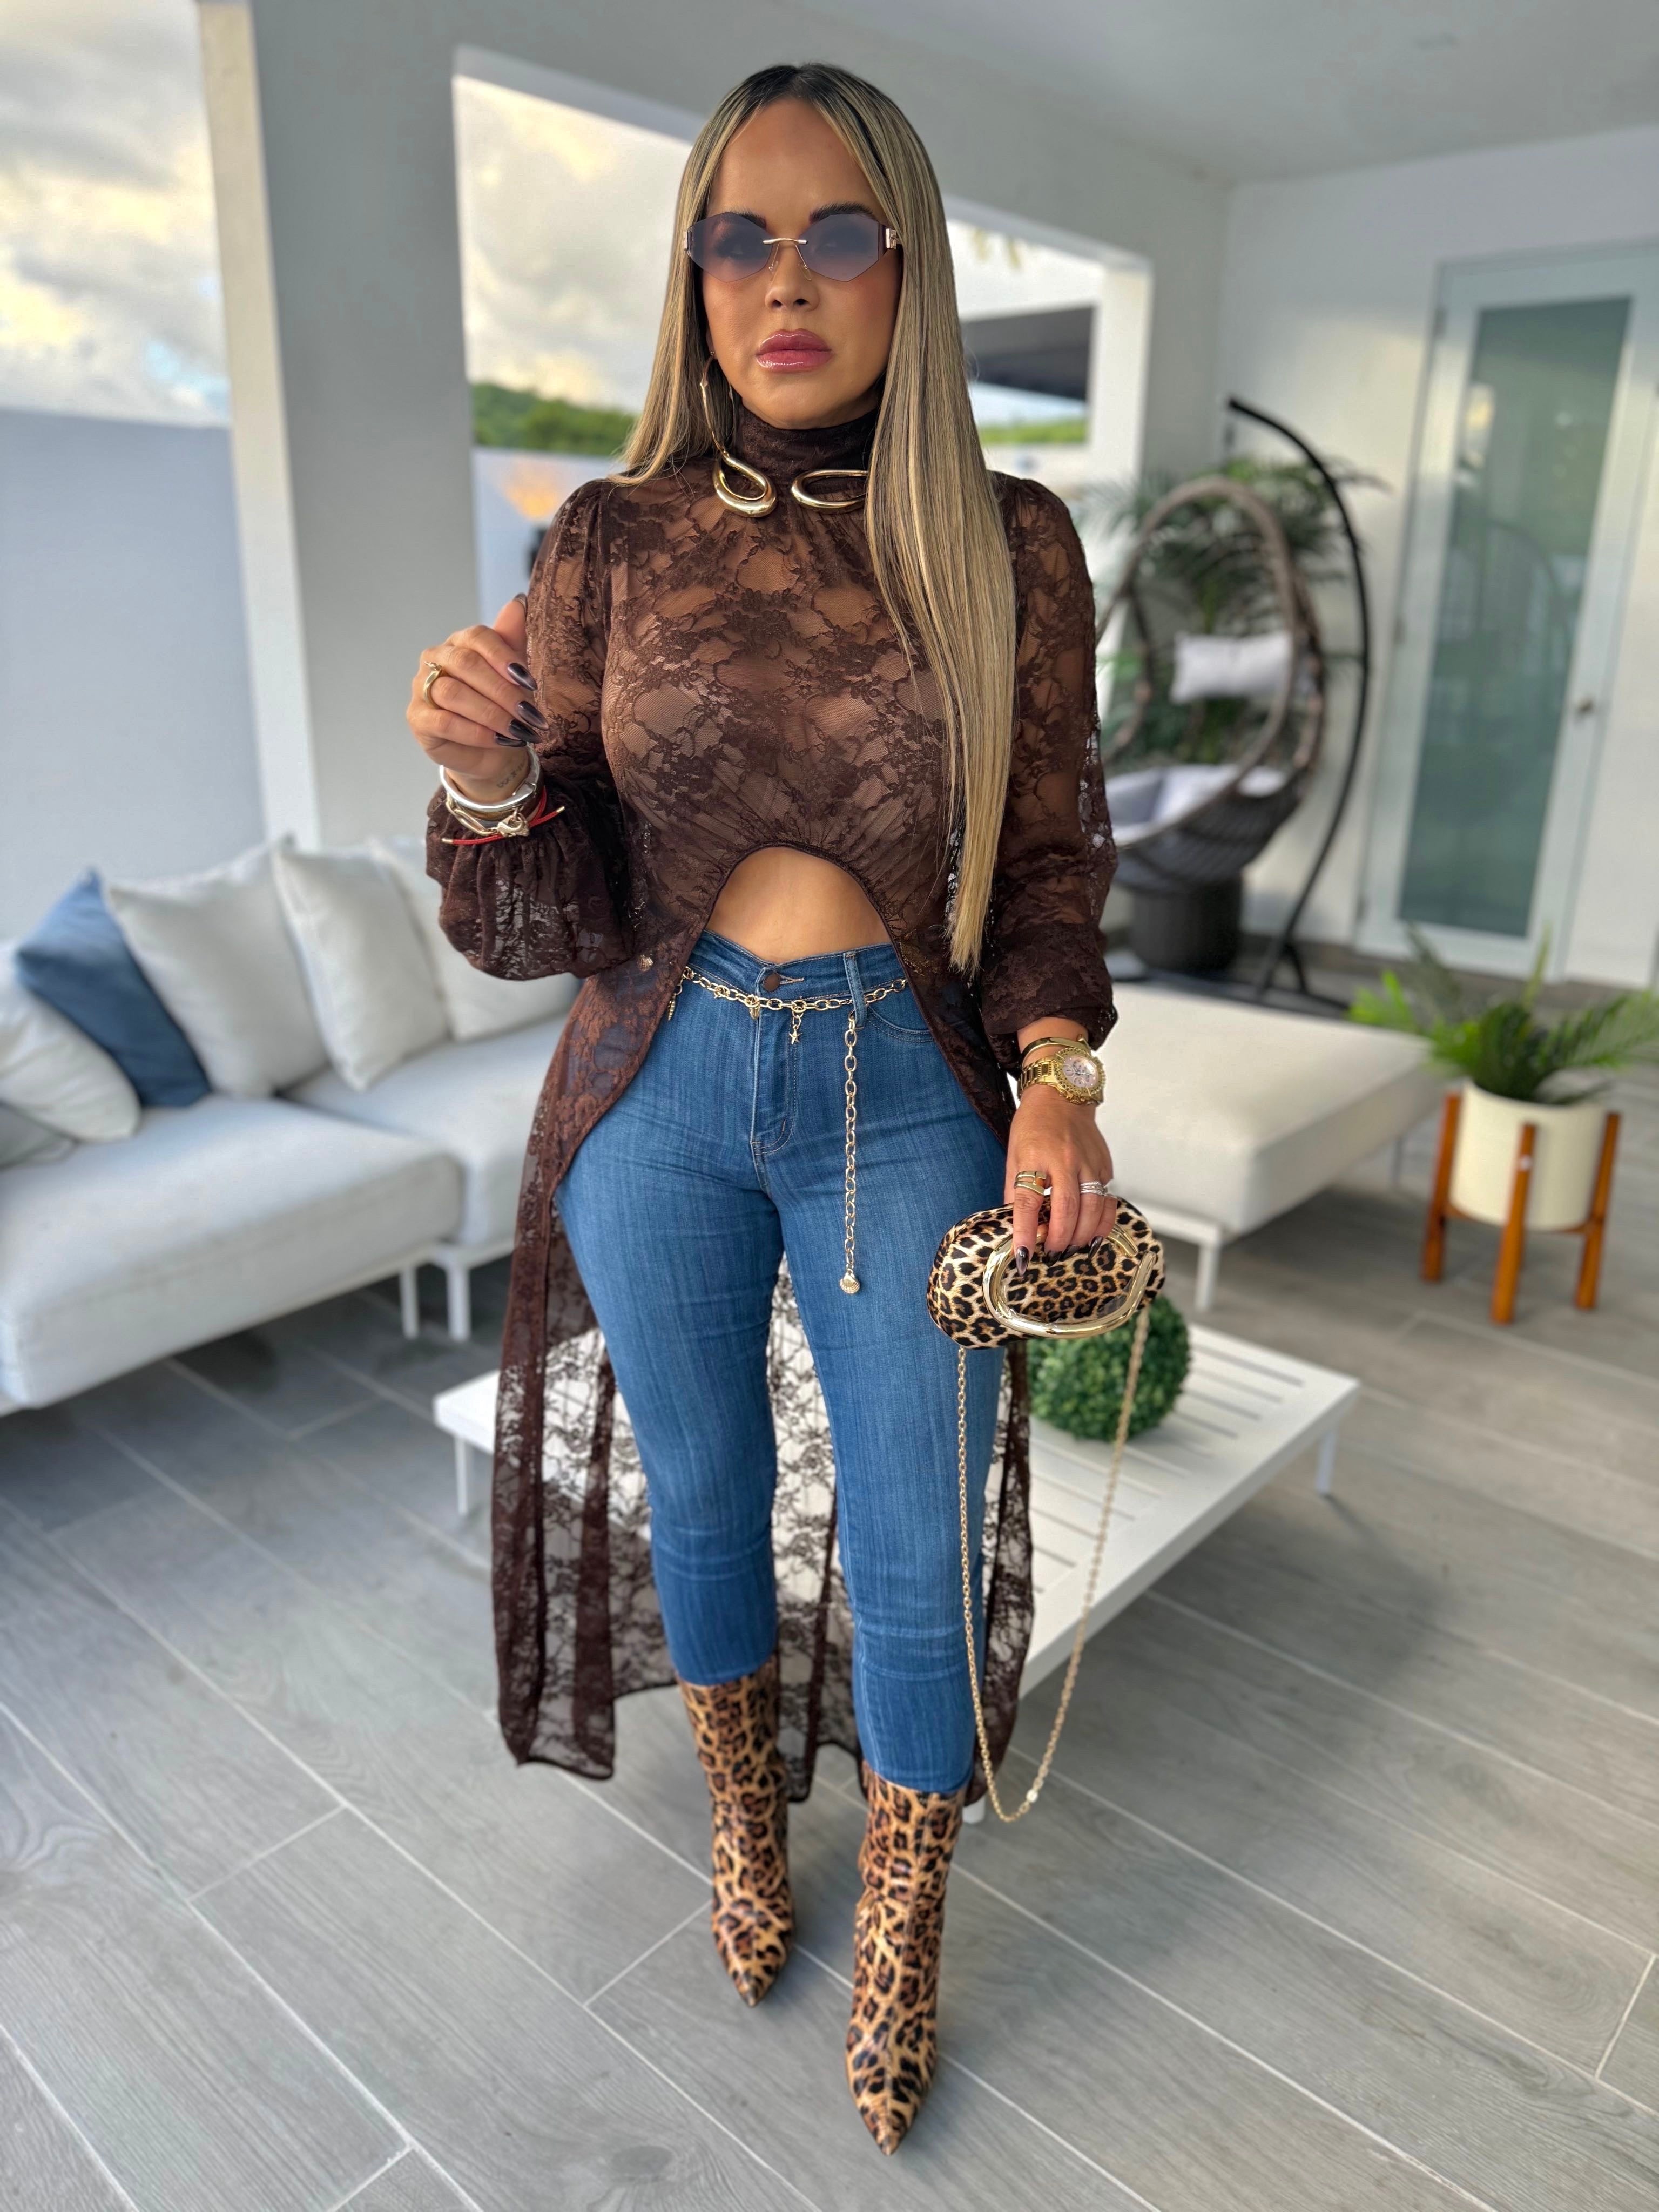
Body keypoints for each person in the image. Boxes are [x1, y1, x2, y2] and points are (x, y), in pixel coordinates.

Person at [406, 59, 1117, 2154]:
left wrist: (1059, 1079)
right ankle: (741, 1822)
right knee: (702, 1501)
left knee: (914, 1537)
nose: (780, 280)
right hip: (660, 1086)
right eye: (737, 235)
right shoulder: (606, 540)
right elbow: (551, 911)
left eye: (833, 235)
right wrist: (482, 778)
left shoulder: (1007, 542)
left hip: (907, 1091)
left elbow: (1052, 859)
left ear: (908, 268)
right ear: (692, 272)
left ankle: (900, 1923)